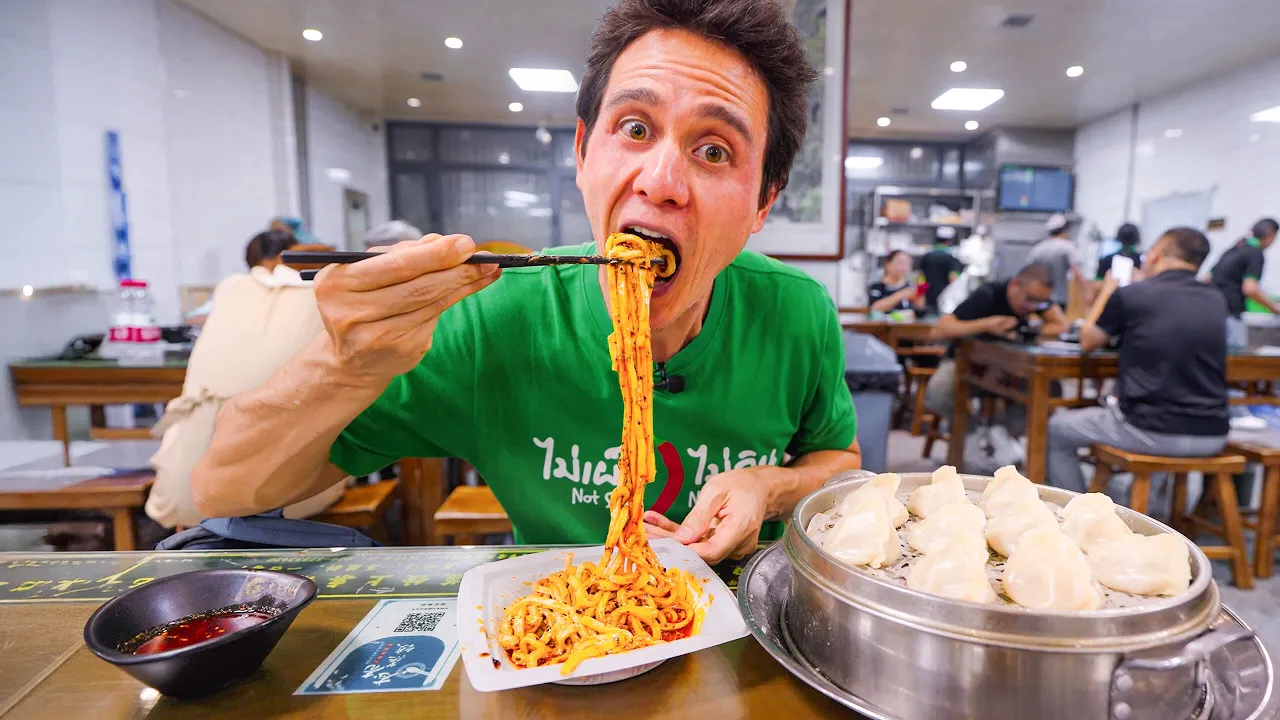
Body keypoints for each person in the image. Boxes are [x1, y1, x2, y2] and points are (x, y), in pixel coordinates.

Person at [190, 0, 862, 564]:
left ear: (764, 202)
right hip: (553, 641)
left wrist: (767, 487)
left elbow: (841, 458)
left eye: (714, 150)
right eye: (635, 128)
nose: (661, 182)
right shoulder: (494, 319)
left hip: (744, 630)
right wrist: (341, 364)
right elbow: (225, 490)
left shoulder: (796, 311)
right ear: (583, 152)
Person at [147, 230, 346, 528]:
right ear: (298, 252)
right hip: (294, 503)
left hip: (184, 501)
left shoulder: (230, 289)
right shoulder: (321, 289)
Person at [1047, 227, 1229, 494]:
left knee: (1056, 429)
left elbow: (1088, 340)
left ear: (1156, 253)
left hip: (1150, 430)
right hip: (1214, 433)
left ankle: (1076, 509)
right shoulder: (1216, 299)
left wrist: (1108, 290)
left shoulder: (1133, 294)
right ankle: (1146, 506)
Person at [924, 263, 1069, 433]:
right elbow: (938, 331)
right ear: (1015, 284)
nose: (1032, 307)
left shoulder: (1038, 298)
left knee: (1049, 390)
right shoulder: (988, 294)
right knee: (939, 393)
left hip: (1009, 367)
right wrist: (986, 325)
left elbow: (1061, 326)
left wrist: (1030, 329)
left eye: (1039, 303)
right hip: (968, 363)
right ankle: (974, 432)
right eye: (1029, 299)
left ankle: (1000, 433)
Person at [1210, 217, 1278, 350]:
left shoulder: (1235, 248)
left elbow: (1208, 277)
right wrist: (1273, 307)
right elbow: (1250, 289)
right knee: (1235, 354)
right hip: (1230, 314)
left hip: (1212, 311)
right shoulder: (1255, 253)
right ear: (1270, 235)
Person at [1026, 213, 1080, 309]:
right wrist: (1086, 291)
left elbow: (1029, 272)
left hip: (1040, 297)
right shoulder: (1069, 247)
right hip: (1060, 298)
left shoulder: (1038, 248)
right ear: (1064, 230)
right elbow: (1076, 271)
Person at [920, 234, 964, 312]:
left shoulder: (927, 256)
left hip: (928, 296)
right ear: (948, 241)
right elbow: (952, 277)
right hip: (944, 297)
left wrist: (921, 293)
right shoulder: (950, 257)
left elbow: (921, 277)